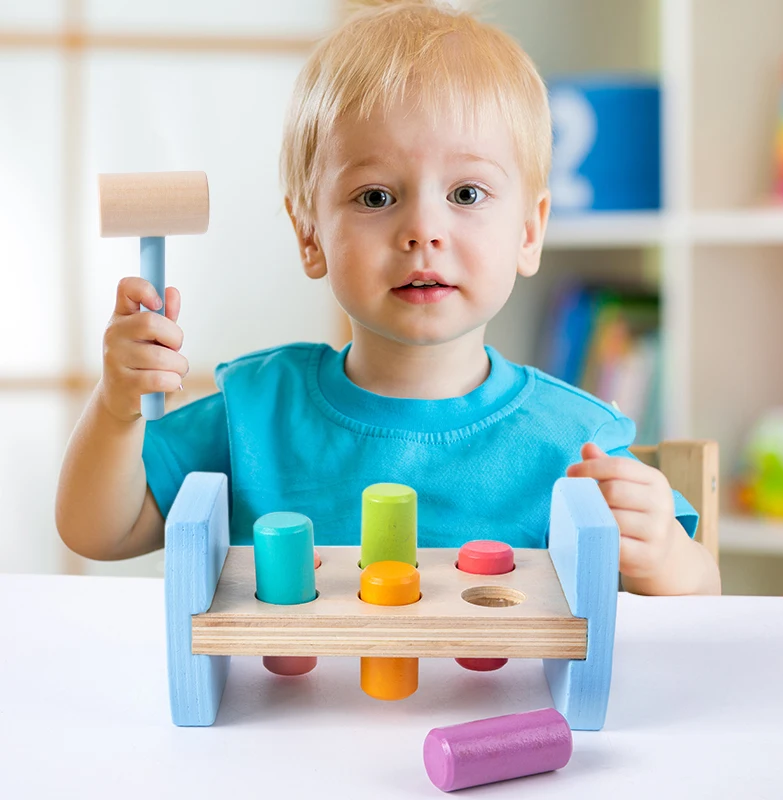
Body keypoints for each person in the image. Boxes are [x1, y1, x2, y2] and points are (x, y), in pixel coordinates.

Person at [56, 0, 721, 596]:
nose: (423, 231)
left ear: (529, 230)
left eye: (466, 194)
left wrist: (665, 555)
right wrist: (118, 409)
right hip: (291, 731)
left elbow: (703, 602)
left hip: (495, 733)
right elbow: (98, 531)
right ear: (309, 235)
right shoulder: (255, 411)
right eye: (376, 196)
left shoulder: (576, 443)